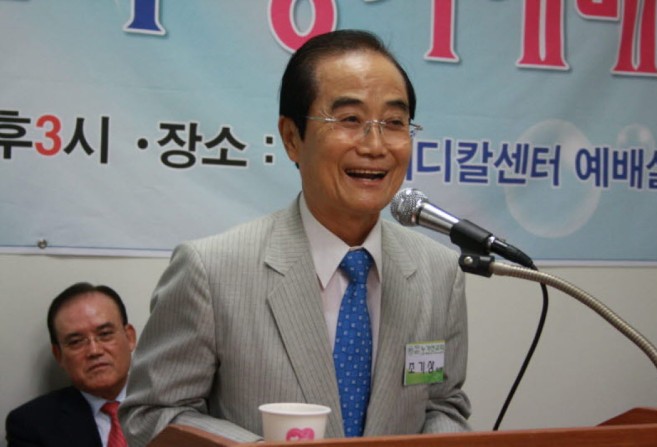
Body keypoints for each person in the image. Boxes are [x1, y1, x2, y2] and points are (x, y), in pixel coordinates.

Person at [119, 29, 470, 445]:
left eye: (394, 123)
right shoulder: (211, 271)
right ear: (291, 138)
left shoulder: (439, 272)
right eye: (350, 120)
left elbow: (442, 405)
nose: (376, 146)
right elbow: (152, 415)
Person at [6, 282, 136, 447]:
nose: (94, 350)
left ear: (129, 337)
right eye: (76, 342)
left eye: (105, 334)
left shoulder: (165, 403)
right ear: (58, 355)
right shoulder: (30, 425)